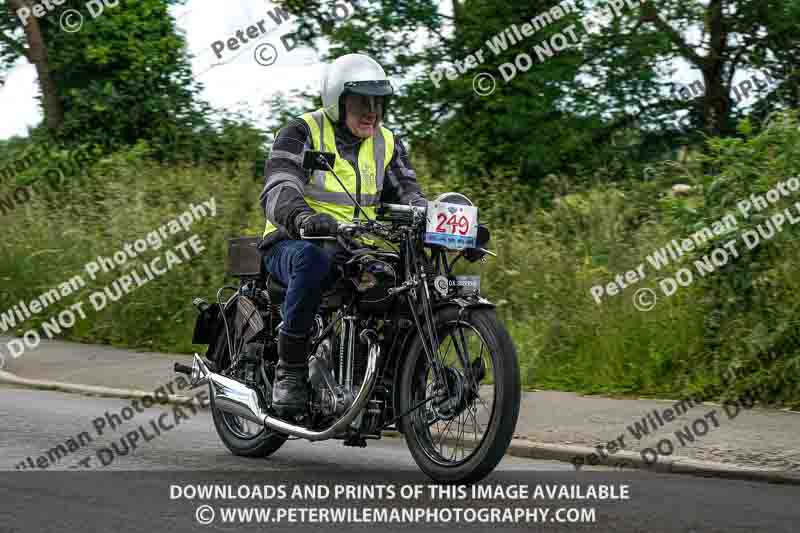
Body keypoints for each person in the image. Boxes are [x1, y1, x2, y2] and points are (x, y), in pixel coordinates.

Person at [258, 53, 427, 418]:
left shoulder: (387, 143)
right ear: (337, 101)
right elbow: (278, 187)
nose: (372, 112)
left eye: (378, 102)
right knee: (314, 259)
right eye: (361, 102)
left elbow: (409, 194)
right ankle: (291, 370)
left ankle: (402, 379)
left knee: (410, 276)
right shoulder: (302, 132)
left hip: (356, 247)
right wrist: (301, 216)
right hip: (293, 242)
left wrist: (435, 217)